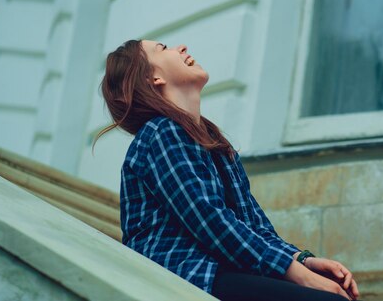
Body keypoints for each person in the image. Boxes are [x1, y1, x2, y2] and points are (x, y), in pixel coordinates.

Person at [95, 39, 359, 301]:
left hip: (220, 272)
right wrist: (299, 276)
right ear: (153, 78)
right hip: (182, 278)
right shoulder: (160, 133)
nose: (182, 47)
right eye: (163, 48)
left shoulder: (215, 144)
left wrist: (302, 260)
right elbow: (210, 220)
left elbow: (253, 225)